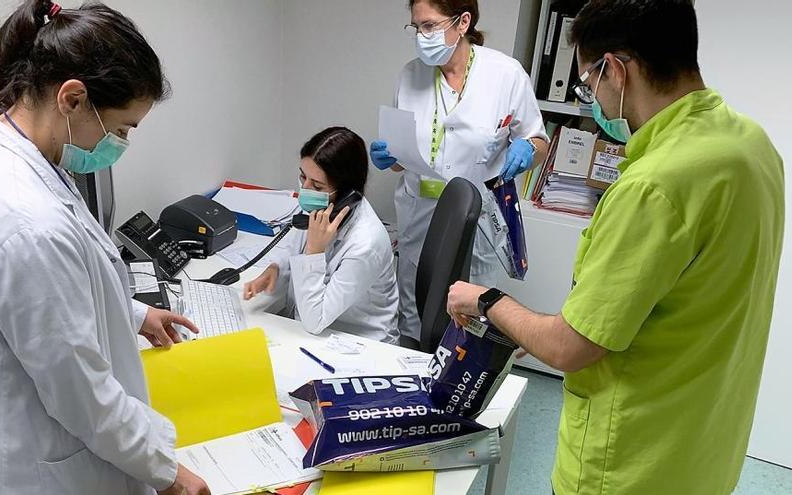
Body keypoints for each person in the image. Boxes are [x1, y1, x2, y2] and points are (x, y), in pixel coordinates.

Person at [446, 1, 785, 493]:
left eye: (589, 84)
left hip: (631, 462)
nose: (595, 102)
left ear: (616, 69)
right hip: (705, 447)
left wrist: (489, 303)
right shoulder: (751, 146)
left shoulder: (654, 187)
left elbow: (570, 347)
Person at [0, 1, 211, 493]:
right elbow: (83, 395)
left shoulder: (6, 144)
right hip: (29, 469)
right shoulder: (25, 221)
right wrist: (169, 473)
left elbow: (50, 298)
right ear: (73, 98)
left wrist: (133, 315)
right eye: (123, 128)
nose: (121, 143)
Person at [371, 0, 549, 346]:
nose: (422, 36)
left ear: (463, 22)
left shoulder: (505, 74)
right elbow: (402, 155)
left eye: (430, 26)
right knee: (416, 308)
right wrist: (389, 156)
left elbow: (538, 141)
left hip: (479, 214)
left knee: (473, 313)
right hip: (420, 209)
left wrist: (528, 150)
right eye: (416, 27)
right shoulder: (411, 75)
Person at [244, 127, 400, 344]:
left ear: (347, 194)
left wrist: (314, 252)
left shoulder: (366, 243)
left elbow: (314, 321)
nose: (305, 189)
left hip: (359, 345)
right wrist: (276, 268)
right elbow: (292, 249)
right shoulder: (321, 205)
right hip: (317, 332)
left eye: (316, 185)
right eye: (302, 176)